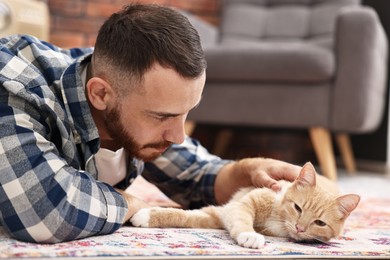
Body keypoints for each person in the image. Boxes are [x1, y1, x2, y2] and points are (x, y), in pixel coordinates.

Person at [0, 4, 300, 243]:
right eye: (163, 116)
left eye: (186, 113)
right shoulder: (13, 84)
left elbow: (195, 177)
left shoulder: (126, 87)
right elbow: (41, 212)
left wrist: (241, 172)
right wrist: (130, 203)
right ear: (100, 94)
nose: (179, 136)